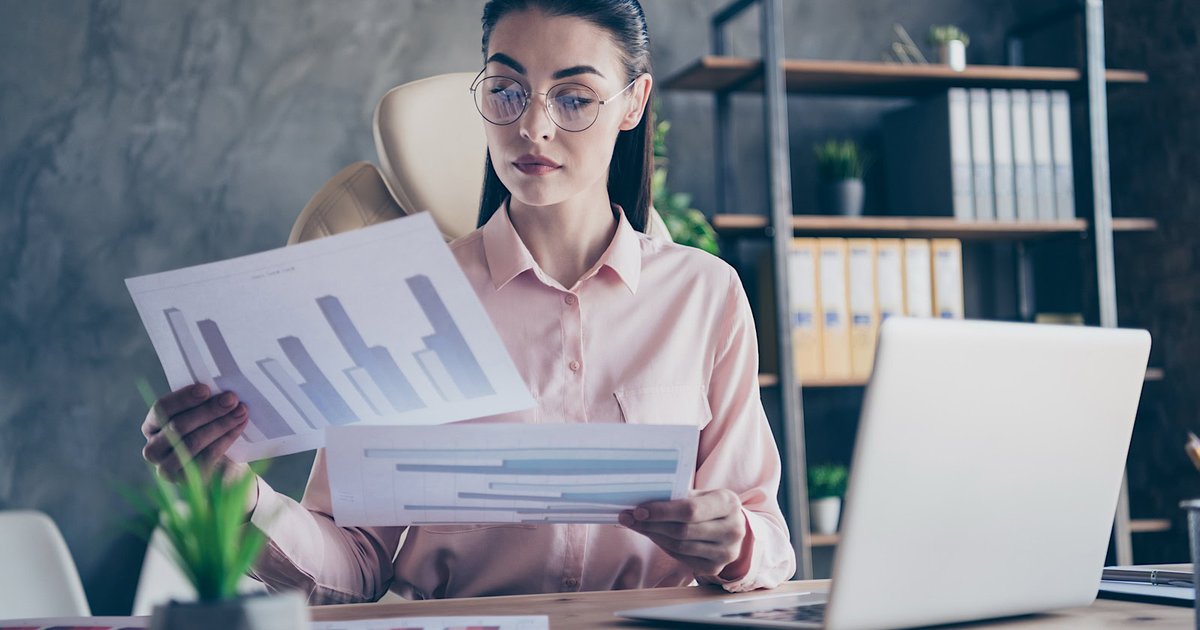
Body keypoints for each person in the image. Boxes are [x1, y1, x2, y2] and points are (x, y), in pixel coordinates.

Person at [141, 0, 795, 603]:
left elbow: (767, 536)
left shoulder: (706, 295)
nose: (532, 127)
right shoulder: (397, 306)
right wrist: (232, 490)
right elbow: (354, 567)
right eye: (507, 90)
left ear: (633, 103)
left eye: (574, 98)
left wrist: (736, 542)